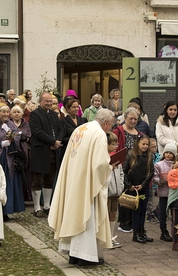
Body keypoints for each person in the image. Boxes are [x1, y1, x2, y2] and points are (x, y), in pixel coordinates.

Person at [48, 109, 116, 266]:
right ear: (106, 122)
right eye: (111, 125)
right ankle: (85, 255)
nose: (110, 129)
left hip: (74, 179)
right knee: (87, 216)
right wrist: (111, 166)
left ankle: (74, 254)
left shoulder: (81, 128)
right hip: (88, 182)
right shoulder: (99, 134)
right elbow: (100, 164)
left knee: (73, 213)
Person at [0, 102, 25, 221]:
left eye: (8, 112)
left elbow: (17, 136)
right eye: (3, 112)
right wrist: (0, 144)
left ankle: (7, 210)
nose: (6, 114)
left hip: (10, 158)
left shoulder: (10, 123)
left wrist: (12, 137)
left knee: (8, 183)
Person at [29, 92, 64, 217]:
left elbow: (61, 129)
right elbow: (37, 132)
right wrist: (53, 141)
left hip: (54, 151)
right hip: (40, 151)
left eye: (51, 101)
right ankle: (37, 207)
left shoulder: (54, 115)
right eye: (46, 101)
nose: (49, 103)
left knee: (50, 179)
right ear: (40, 101)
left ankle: (47, 206)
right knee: (38, 180)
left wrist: (57, 142)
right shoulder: (35, 114)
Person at [113, 107, 142, 233]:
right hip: (122, 166)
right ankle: (123, 221)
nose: (133, 121)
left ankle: (132, 221)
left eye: (135, 119)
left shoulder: (139, 133)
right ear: (125, 118)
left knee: (133, 194)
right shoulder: (118, 130)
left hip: (135, 168)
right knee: (123, 193)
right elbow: (113, 145)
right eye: (131, 118)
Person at [123, 134, 154, 243]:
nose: (145, 146)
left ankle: (142, 231)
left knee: (143, 210)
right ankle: (135, 234)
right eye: (143, 144)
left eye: (147, 144)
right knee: (136, 210)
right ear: (138, 144)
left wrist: (143, 185)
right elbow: (125, 171)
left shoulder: (149, 156)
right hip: (133, 188)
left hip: (143, 187)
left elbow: (151, 172)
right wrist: (129, 185)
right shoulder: (131, 155)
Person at [153, 142, 177, 242]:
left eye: (170, 153)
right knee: (163, 214)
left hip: (174, 194)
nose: (168, 155)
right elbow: (154, 178)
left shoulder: (176, 165)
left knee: (174, 214)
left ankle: (174, 232)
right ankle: (163, 232)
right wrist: (161, 181)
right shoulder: (159, 165)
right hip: (163, 193)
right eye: (166, 152)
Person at [106, 132, 124, 249]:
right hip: (107, 192)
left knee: (113, 214)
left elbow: (121, 173)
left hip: (116, 192)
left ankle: (111, 236)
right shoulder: (104, 158)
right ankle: (105, 238)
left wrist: (121, 185)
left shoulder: (117, 158)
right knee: (105, 214)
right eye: (113, 144)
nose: (116, 146)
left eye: (116, 144)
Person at [10, 105, 32, 201]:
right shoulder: (9, 123)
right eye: (14, 112)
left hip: (24, 151)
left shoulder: (25, 124)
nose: (16, 114)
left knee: (25, 173)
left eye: (18, 112)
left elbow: (28, 136)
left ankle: (25, 196)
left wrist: (22, 136)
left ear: (22, 114)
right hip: (12, 151)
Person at [146, 138, 160, 223]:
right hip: (150, 183)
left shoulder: (159, 156)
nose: (155, 148)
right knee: (150, 200)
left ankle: (154, 212)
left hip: (157, 183)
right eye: (153, 147)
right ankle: (149, 215)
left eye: (156, 146)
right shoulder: (147, 157)